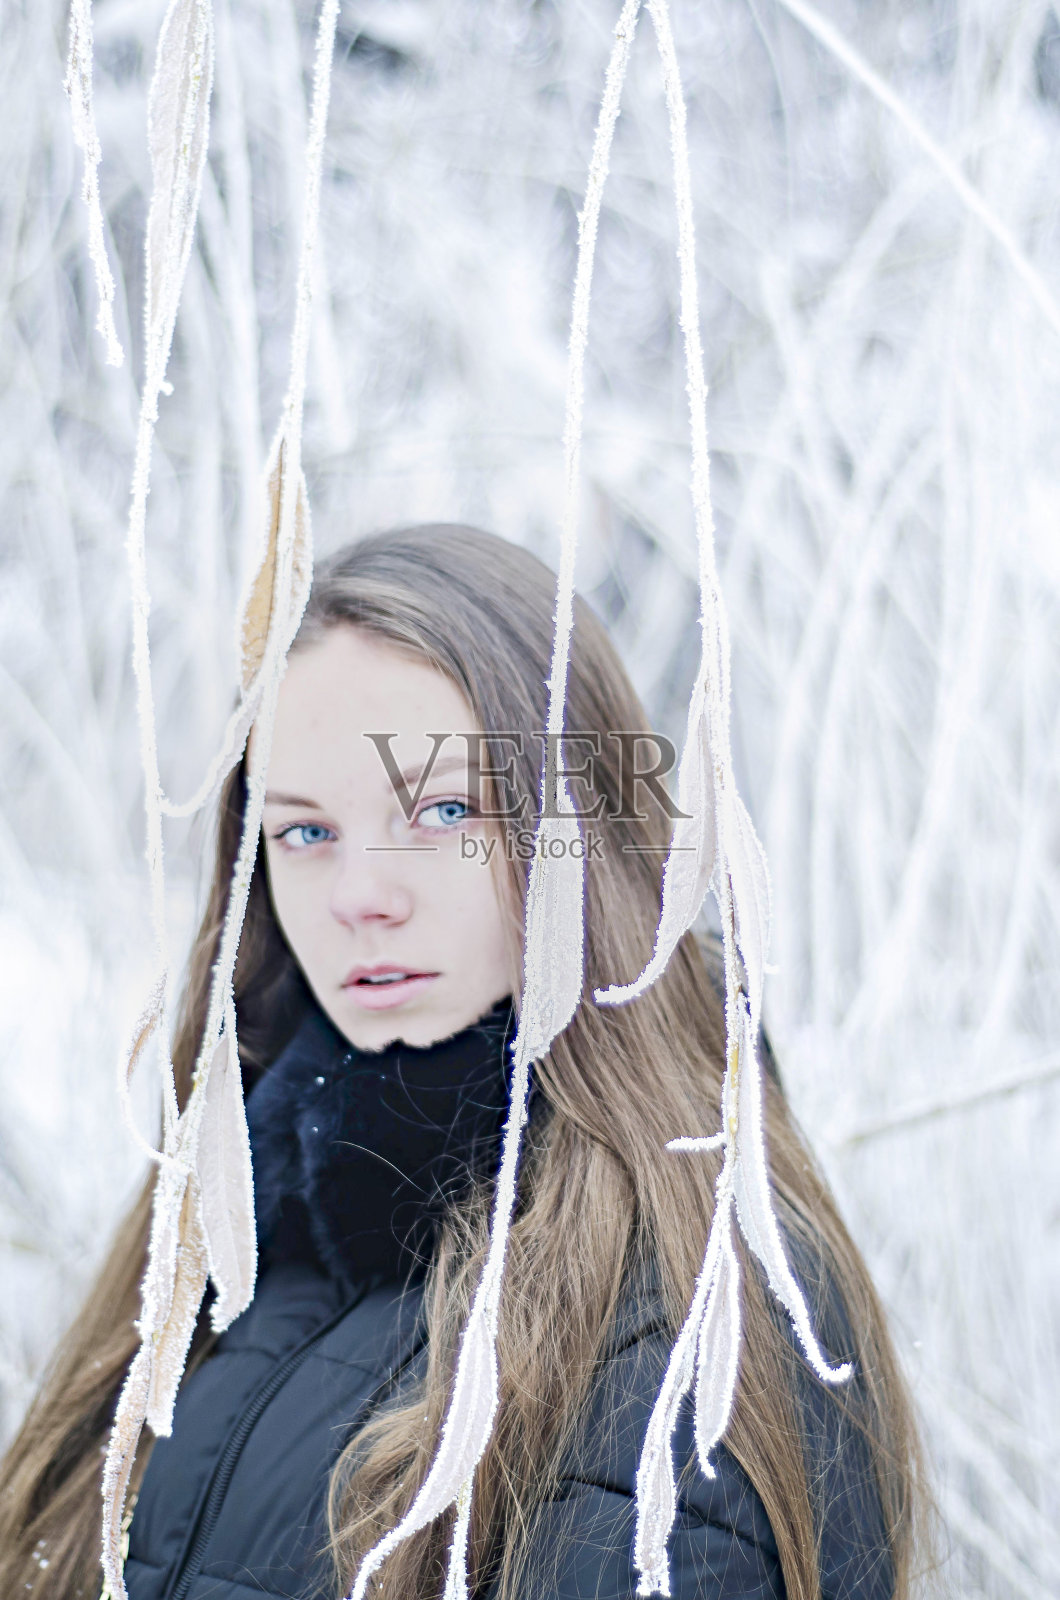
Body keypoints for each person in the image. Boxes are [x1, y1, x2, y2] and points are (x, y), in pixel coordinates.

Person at [0, 526, 926, 1600]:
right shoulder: (233, 1216)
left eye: (441, 811)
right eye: (305, 832)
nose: (361, 894)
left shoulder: (696, 1304)